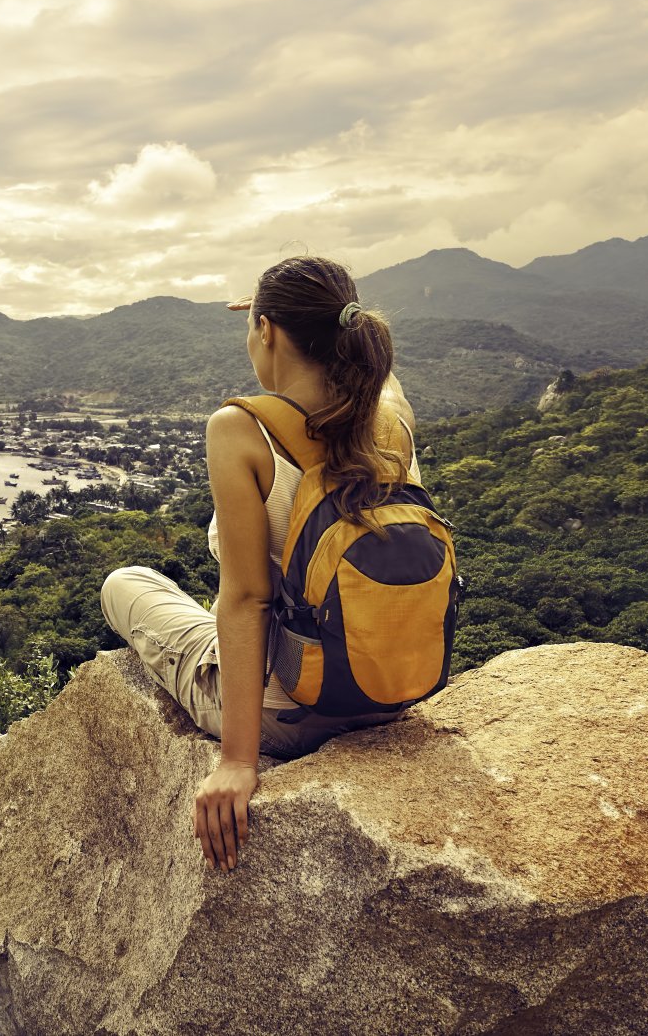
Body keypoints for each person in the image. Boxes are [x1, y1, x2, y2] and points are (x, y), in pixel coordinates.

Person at [99, 256, 419, 874]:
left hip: (292, 712)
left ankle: (229, 699)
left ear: (266, 331)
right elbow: (369, 358)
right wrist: (293, 308)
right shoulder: (388, 412)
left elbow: (249, 600)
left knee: (126, 584)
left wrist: (238, 762)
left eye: (256, 327)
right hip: (388, 692)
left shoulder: (241, 430)